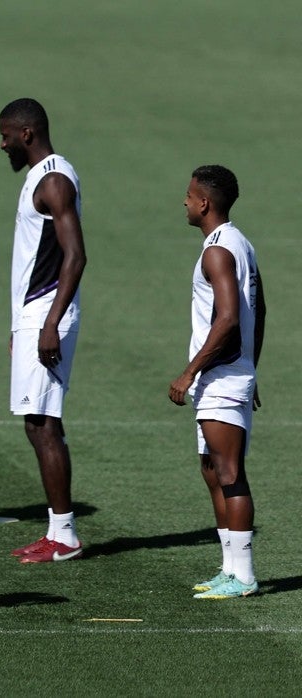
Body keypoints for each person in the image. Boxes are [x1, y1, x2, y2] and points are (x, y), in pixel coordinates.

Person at [0, 98, 87, 563]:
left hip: (47, 315)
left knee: (42, 423)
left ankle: (64, 535)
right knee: (39, 422)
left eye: (7, 135)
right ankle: (59, 528)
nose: (3, 144)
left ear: (27, 134)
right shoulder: (42, 177)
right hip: (34, 315)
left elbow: (75, 256)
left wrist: (48, 323)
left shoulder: (53, 179)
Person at [169, 165, 264, 599]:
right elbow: (258, 312)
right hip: (227, 374)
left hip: (221, 377)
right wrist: (252, 365)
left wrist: (189, 371)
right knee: (212, 470)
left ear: (204, 202)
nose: (185, 202)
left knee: (229, 472)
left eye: (189, 196)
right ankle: (229, 569)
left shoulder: (218, 251)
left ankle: (243, 575)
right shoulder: (236, 243)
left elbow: (228, 318)